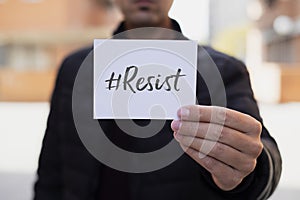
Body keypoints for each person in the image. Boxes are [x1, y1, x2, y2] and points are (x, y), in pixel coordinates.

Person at [34, 0, 282, 199]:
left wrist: (250, 169)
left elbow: (260, 153)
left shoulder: (223, 70)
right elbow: (51, 170)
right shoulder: (75, 69)